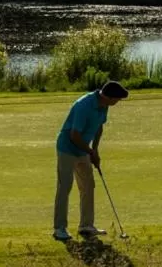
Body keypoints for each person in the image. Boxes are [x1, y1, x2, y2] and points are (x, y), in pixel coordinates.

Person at [52, 80, 129, 241]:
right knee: (64, 187)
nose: (117, 102)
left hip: (83, 149)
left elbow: (99, 126)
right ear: (108, 97)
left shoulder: (104, 105)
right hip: (67, 148)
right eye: (117, 99)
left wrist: (96, 149)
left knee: (88, 186)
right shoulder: (84, 105)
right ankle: (60, 229)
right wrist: (90, 151)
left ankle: (86, 226)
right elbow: (74, 135)